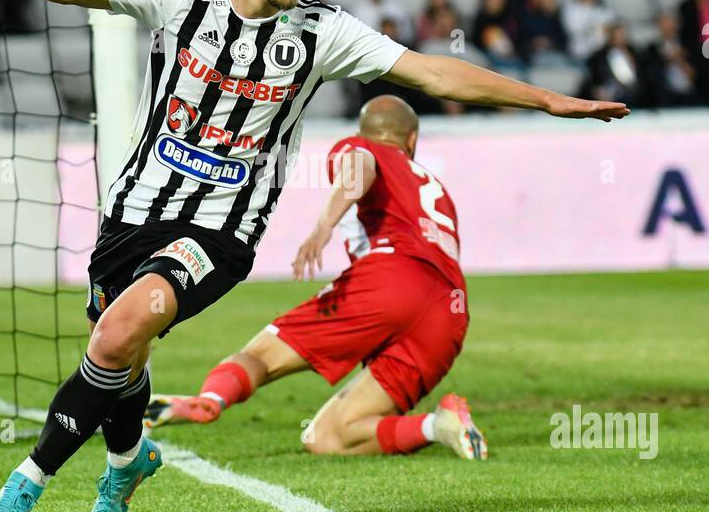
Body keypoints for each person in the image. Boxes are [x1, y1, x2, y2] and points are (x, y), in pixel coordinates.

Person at [0, 0, 628, 512]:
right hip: (134, 211)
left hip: (223, 228)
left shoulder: (322, 33)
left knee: (122, 329)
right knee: (119, 349)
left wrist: (547, 99)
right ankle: (130, 461)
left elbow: (431, 70)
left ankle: (28, 482)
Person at [145, 96, 486, 460]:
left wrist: (324, 224)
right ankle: (439, 424)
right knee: (325, 438)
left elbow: (361, 166)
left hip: (392, 280)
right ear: (412, 139)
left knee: (259, 357)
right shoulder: (434, 188)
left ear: (365, 133)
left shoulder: (361, 147)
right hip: (450, 314)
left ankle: (210, 399)